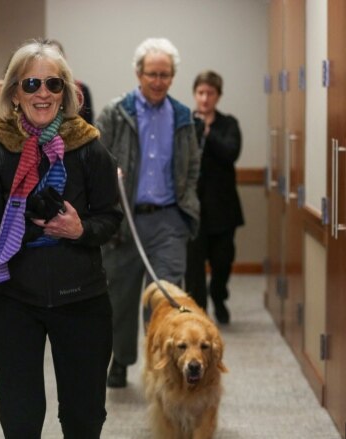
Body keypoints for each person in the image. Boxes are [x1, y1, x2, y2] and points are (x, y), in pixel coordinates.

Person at [0, 39, 123, 438]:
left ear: (66, 93)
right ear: (15, 92)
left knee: (84, 418)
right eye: (31, 84)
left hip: (82, 300)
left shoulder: (89, 147)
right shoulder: (0, 150)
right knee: (20, 419)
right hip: (14, 301)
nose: (43, 94)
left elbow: (111, 219)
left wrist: (80, 229)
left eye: (53, 85)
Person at [96, 37, 201, 388]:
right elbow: (95, 159)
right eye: (152, 74)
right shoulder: (115, 113)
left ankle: (161, 366)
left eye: (165, 75)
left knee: (166, 299)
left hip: (169, 221)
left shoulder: (184, 116)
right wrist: (110, 177)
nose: (158, 81)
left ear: (173, 77)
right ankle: (121, 360)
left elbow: (193, 167)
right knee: (120, 298)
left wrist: (186, 209)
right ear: (139, 74)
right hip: (123, 219)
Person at [185, 70, 244, 325]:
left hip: (223, 208)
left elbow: (231, 153)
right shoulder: (184, 122)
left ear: (218, 96)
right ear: (195, 94)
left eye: (210, 93)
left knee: (222, 261)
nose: (205, 98)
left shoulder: (228, 124)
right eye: (200, 93)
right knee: (194, 267)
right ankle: (199, 312)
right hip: (194, 209)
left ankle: (218, 296)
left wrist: (207, 132)